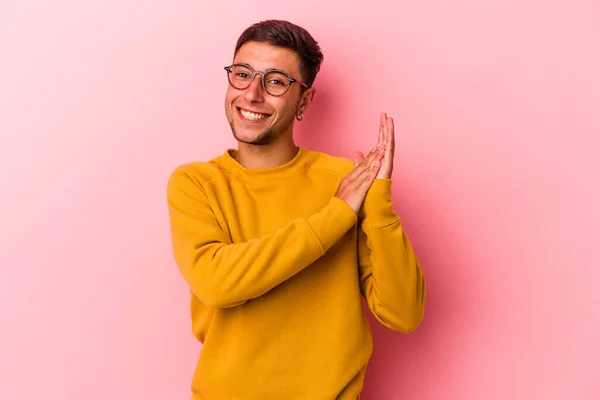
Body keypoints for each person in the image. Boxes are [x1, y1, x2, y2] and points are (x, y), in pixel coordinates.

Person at [166, 19, 426, 400]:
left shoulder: (347, 181)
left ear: (303, 100)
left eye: (274, 82)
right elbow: (217, 283)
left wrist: (379, 204)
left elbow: (403, 313)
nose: (252, 94)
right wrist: (337, 214)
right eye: (242, 74)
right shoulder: (196, 183)